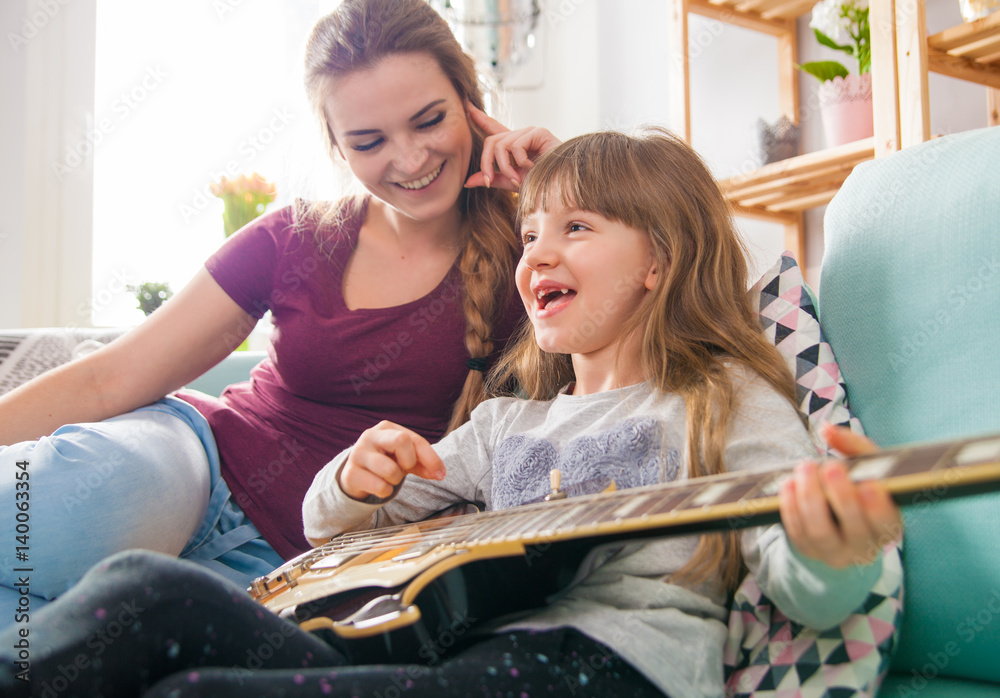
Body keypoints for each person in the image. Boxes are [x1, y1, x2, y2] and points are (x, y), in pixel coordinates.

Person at [0, 128, 901, 698]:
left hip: (606, 666)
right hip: (442, 647)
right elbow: (338, 525)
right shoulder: (508, 426)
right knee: (141, 589)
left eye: (576, 227)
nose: (538, 249)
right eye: (533, 231)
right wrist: (354, 479)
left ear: (659, 261)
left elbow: (798, 577)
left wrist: (833, 548)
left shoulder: (719, 400)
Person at [0, 0, 559, 618]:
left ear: (470, 104)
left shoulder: (535, 254)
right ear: (337, 146)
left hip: (312, 564)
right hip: (196, 470)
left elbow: (654, 349)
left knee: (59, 634)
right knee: (76, 518)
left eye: (429, 121)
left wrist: (562, 195)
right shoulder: (294, 237)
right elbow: (112, 376)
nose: (409, 158)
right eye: (369, 140)